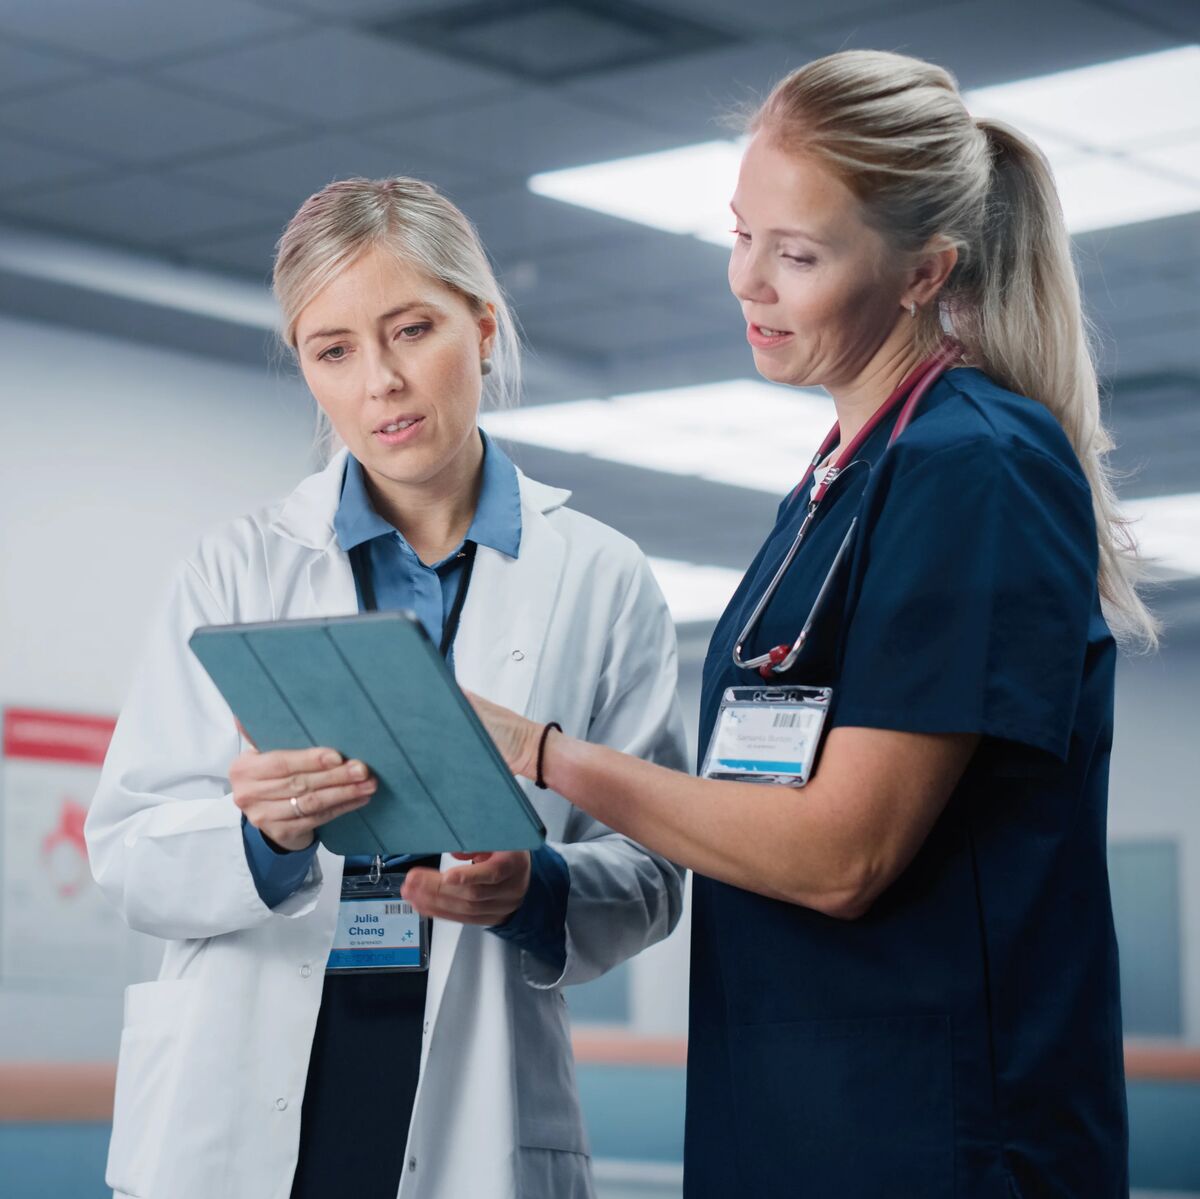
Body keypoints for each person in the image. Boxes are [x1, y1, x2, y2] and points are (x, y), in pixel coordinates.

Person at [468, 50, 1156, 1198]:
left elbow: (845, 854)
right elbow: (761, 810)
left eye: (798, 254)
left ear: (925, 270)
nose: (749, 281)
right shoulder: (837, 483)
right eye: (740, 235)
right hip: (792, 1115)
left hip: (940, 1138)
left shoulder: (976, 464)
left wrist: (542, 754)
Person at [85, 177, 688, 1199]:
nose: (382, 381)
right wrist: (259, 836)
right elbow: (128, 848)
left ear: (483, 328)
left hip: (475, 1098)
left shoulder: (598, 574)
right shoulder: (237, 565)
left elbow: (656, 867)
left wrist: (535, 887)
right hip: (238, 1095)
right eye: (334, 350)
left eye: (412, 330)